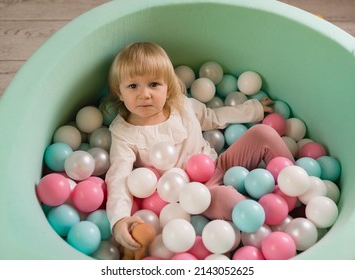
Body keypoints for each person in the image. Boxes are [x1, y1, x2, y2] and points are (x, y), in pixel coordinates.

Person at [102, 42, 294, 252]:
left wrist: (253, 109)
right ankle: (275, 226)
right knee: (228, 198)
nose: (145, 94)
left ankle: (296, 186)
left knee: (262, 133)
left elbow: (214, 117)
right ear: (119, 92)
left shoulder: (181, 106)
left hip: (219, 164)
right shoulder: (124, 133)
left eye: (154, 84)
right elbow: (118, 178)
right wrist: (119, 218)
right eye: (133, 86)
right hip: (195, 196)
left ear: (168, 86)